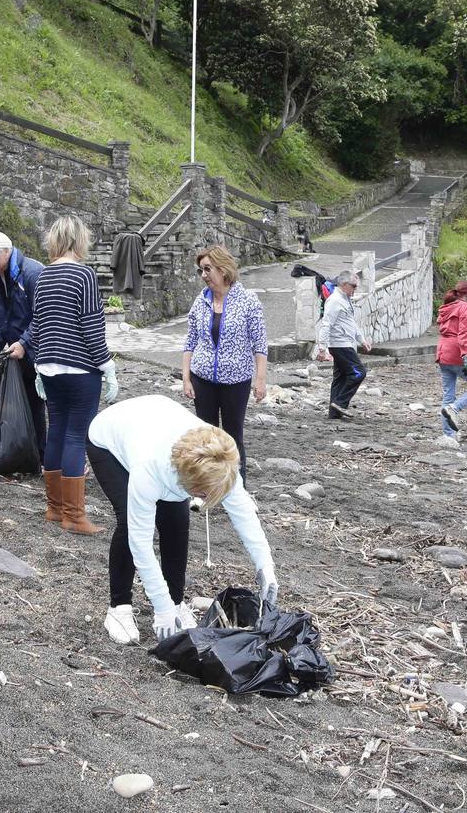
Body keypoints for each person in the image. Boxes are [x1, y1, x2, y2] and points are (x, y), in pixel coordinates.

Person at [86, 394, 277, 644]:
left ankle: (176, 602)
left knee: (176, 522)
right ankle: (119, 607)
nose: (209, 499)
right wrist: (159, 606)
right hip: (109, 439)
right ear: (190, 482)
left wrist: (266, 567)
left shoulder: (222, 462)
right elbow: (140, 542)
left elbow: (243, 514)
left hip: (158, 420)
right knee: (127, 522)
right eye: (203, 494)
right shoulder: (149, 469)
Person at [28, 215, 118, 535]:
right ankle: (75, 516)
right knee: (76, 437)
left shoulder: (42, 276)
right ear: (80, 240)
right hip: (81, 368)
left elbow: (37, 326)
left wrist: (39, 365)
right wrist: (107, 366)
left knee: (57, 432)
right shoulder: (83, 276)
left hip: (49, 367)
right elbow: (92, 327)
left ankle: (54, 508)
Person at [181, 246, 268, 483]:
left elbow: (260, 345)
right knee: (206, 437)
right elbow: (190, 342)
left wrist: (260, 380)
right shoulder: (201, 302)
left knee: (232, 436)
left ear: (223, 270)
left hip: (236, 381)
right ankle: (207, 484)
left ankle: (237, 486)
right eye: (201, 270)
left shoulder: (248, 301)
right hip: (202, 378)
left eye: (207, 269)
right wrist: (186, 378)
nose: (203, 275)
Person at [0, 231, 46, 461]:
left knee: (48, 406)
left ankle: (53, 459)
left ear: (6, 251)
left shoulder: (33, 274)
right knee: (26, 405)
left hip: (41, 352)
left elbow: (43, 316)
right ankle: (32, 455)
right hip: (18, 353)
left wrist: (25, 343)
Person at [315, 270, 372, 419]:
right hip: (340, 344)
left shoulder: (345, 299)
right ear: (344, 284)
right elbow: (326, 324)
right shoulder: (334, 300)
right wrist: (322, 348)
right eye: (353, 286)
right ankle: (340, 403)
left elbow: (350, 322)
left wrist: (362, 340)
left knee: (340, 378)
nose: (355, 289)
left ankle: (334, 414)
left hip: (345, 342)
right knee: (358, 373)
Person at [436, 280, 467, 436]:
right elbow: (464, 333)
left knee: (448, 395)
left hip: (443, 352)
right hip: (457, 353)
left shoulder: (447, 307)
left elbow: (451, 329)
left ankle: (448, 436)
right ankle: (454, 409)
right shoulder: (464, 308)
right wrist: (465, 354)